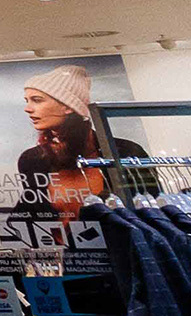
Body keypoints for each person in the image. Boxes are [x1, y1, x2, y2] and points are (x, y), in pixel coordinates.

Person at [12, 64, 142, 216]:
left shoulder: (125, 152)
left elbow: (148, 211)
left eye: (37, 100)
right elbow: (32, 214)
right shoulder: (33, 159)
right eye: (27, 101)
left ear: (68, 107)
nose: (27, 108)